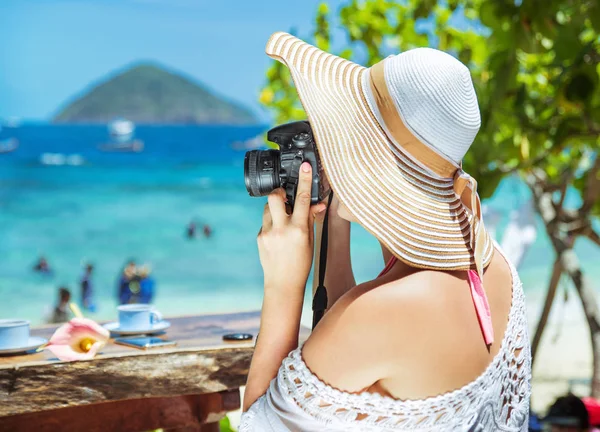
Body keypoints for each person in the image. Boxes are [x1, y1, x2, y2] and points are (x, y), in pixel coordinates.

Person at [240, 32, 531, 431]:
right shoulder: (497, 272)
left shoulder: (379, 313)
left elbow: (258, 424)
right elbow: (358, 349)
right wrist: (332, 223)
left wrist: (283, 284)